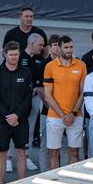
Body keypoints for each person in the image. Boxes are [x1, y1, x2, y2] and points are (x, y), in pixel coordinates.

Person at [0, 42, 33, 183]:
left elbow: (28, 98)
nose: (14, 57)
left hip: (21, 121)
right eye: (11, 55)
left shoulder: (26, 72)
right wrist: (8, 116)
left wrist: (17, 115)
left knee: (21, 153)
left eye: (16, 54)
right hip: (3, 121)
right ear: (5, 54)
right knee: (2, 153)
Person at [42, 36, 86, 170]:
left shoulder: (81, 65)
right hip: (55, 117)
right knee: (54, 152)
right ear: (59, 48)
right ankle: (54, 181)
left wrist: (72, 114)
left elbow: (83, 93)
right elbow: (48, 95)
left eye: (71, 47)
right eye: (66, 47)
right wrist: (63, 115)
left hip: (76, 116)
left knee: (74, 151)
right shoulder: (50, 66)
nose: (69, 50)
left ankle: (71, 181)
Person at [17, 34, 44, 171]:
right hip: (18, 100)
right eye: (40, 44)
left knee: (30, 129)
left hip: (34, 98)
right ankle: (10, 158)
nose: (42, 47)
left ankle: (27, 157)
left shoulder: (40, 59)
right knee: (14, 128)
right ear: (32, 43)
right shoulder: (19, 57)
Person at [36, 35, 60, 173]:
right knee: (45, 143)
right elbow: (40, 90)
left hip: (64, 112)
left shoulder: (66, 64)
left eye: (59, 44)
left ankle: (60, 169)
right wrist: (51, 107)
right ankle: (44, 171)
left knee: (61, 144)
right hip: (47, 111)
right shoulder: (43, 65)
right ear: (50, 47)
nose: (57, 47)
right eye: (54, 44)